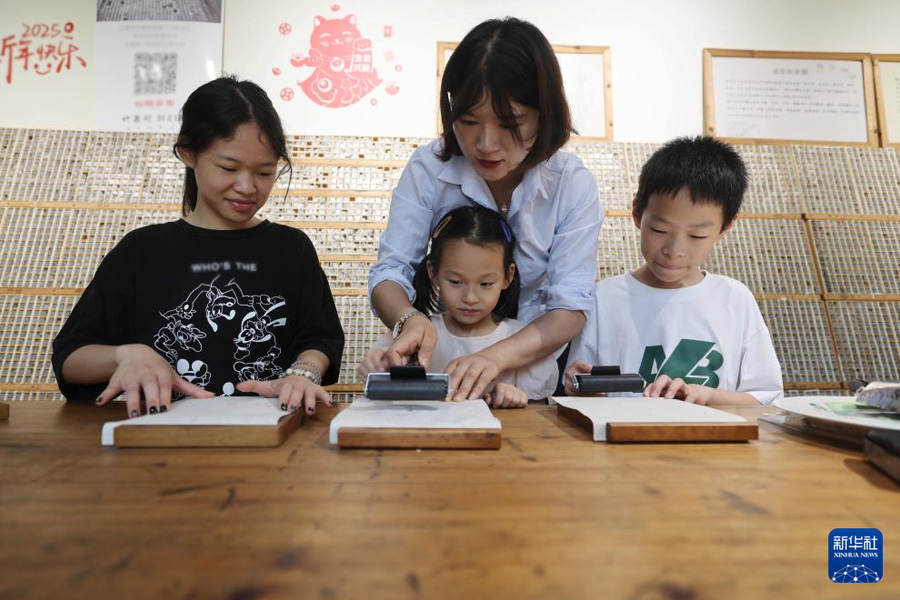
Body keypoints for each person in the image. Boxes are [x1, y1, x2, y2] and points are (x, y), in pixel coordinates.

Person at [52, 76, 344, 418]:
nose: (247, 186)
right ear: (188, 154)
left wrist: (304, 372)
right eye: (228, 168)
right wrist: (125, 356)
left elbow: (320, 339)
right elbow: (70, 358)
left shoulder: (291, 249)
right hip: (161, 439)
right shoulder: (142, 250)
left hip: (270, 436)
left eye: (264, 173)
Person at [368, 17, 602, 401]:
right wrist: (409, 320)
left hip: (534, 371)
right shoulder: (429, 169)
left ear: (545, 113)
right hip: (445, 360)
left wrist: (493, 357)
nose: (486, 143)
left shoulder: (570, 183)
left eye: (511, 122)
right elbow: (391, 272)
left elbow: (570, 308)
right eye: (468, 121)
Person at [564, 136, 783, 405]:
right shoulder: (602, 299)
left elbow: (766, 401)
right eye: (659, 230)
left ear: (725, 227)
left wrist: (708, 395)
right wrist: (577, 388)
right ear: (637, 213)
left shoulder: (734, 299)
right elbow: (581, 390)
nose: (674, 250)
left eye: (697, 236)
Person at [359, 206, 558, 407]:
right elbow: (382, 373)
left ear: (508, 276)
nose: (470, 298)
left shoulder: (522, 340)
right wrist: (377, 366)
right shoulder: (417, 334)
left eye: (485, 284)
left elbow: (540, 412)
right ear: (433, 272)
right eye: (455, 282)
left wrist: (514, 398)